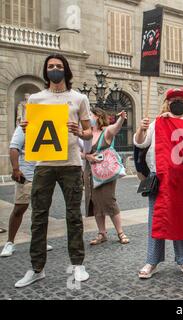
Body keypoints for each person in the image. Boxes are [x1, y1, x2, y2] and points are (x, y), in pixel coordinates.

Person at [15, 53, 92, 288]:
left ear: (66, 70)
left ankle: (78, 264)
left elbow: (89, 133)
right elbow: (31, 134)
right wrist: (25, 128)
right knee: (38, 217)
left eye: (59, 66)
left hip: (70, 164)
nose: (55, 69)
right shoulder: (36, 99)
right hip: (44, 165)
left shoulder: (79, 99)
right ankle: (36, 268)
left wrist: (79, 132)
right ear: (45, 71)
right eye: (51, 66)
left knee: (73, 216)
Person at [135, 88, 183, 279]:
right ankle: (152, 260)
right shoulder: (158, 122)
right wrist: (142, 128)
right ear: (167, 102)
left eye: (181, 99)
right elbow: (140, 143)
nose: (178, 102)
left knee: (182, 218)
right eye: (174, 99)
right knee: (156, 219)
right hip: (160, 177)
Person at [1, 126, 54, 257]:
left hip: (43, 173)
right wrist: (15, 169)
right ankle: (10, 242)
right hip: (27, 174)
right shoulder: (23, 127)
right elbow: (14, 148)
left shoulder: (50, 125)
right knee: (20, 208)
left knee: (41, 210)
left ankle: (40, 241)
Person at [84, 108, 129, 245]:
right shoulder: (86, 134)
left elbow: (116, 128)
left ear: (98, 117)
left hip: (106, 171)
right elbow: (77, 150)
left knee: (109, 200)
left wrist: (121, 119)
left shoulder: (106, 131)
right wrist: (87, 156)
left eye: (91, 114)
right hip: (90, 171)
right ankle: (102, 233)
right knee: (95, 202)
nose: (88, 117)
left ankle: (120, 232)